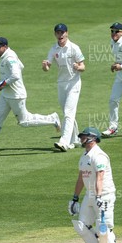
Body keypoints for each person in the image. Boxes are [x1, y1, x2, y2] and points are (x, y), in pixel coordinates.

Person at [0, 37, 61, 155]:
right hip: (6, 95)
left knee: (24, 122)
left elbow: (15, 75)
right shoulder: (8, 55)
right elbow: (21, 66)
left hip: (16, 95)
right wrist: (4, 85)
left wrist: (2, 83)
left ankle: (52, 118)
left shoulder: (9, 57)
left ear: (5, 47)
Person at [68, 127, 120, 243]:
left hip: (104, 195)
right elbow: (80, 179)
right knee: (81, 226)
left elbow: (100, 178)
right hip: (90, 195)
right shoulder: (84, 157)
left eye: (84, 136)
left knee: (104, 228)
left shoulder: (99, 156)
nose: (81, 138)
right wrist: (74, 198)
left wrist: (98, 196)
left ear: (92, 138)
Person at [42, 23, 86, 152]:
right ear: (55, 34)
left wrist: (78, 67)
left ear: (67, 33)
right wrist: (45, 67)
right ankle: (76, 140)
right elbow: (47, 67)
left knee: (68, 112)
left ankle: (64, 142)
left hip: (74, 83)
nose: (60, 35)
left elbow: (83, 66)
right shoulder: (54, 49)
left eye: (62, 32)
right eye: (58, 33)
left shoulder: (74, 48)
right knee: (67, 113)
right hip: (61, 83)